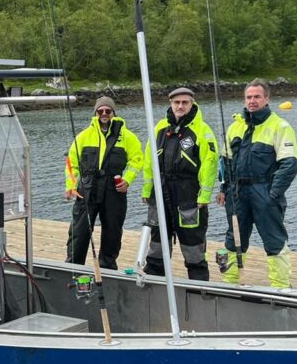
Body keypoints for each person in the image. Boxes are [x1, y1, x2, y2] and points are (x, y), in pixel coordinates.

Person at [216, 78, 297, 288]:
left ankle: (280, 287)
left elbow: (289, 164)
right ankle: (230, 283)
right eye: (249, 97)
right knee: (233, 238)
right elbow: (225, 163)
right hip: (237, 193)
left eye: (257, 97)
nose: (252, 101)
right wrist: (224, 189)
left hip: (265, 190)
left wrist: (274, 194)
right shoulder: (235, 127)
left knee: (274, 240)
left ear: (266, 98)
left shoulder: (280, 126)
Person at [141, 87, 219, 280]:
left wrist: (204, 196)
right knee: (158, 240)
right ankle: (154, 278)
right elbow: (149, 162)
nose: (180, 106)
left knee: (192, 243)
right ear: (170, 104)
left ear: (192, 104)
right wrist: (147, 189)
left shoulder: (202, 130)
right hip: (160, 193)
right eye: (177, 102)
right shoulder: (159, 128)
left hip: (188, 194)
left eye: (185, 102)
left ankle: (199, 282)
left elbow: (210, 163)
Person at [64, 96, 144, 269]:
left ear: (114, 113)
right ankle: (73, 267)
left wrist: (128, 179)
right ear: (95, 113)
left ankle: (107, 266)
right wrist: (70, 185)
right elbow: (71, 163)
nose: (104, 114)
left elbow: (137, 160)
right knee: (79, 231)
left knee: (113, 231)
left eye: (108, 111)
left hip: (114, 189)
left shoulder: (128, 137)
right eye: (100, 111)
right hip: (87, 187)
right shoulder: (84, 136)